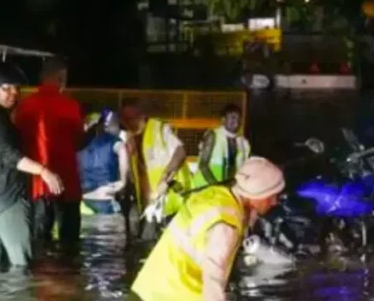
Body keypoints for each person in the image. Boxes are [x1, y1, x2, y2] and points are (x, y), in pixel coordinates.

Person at [130, 157, 284, 301]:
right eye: (273, 196)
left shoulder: (218, 196)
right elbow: (213, 278)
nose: (275, 202)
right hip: (182, 294)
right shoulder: (226, 225)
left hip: (160, 287)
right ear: (257, 195)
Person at [0, 65, 64, 268]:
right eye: (6, 88)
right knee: (20, 266)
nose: (14, 94)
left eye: (16, 88)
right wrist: (43, 171)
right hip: (7, 200)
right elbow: (8, 155)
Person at [14, 57, 85, 244]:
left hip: (37, 185)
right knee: (69, 244)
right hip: (68, 183)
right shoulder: (71, 106)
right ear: (61, 78)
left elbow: (17, 142)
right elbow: (78, 141)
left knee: (39, 244)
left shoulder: (24, 106)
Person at [119, 98, 191, 236]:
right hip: (149, 206)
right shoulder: (131, 138)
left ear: (141, 115)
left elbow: (180, 151)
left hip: (170, 201)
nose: (128, 122)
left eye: (131, 118)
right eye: (125, 119)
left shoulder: (160, 129)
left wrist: (165, 179)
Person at [78, 108, 130, 215]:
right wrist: (123, 182)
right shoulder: (111, 140)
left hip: (81, 202)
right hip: (104, 198)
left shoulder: (78, 142)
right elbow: (122, 150)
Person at [192, 104, 251, 189]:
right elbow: (203, 165)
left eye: (239, 118)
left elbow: (243, 168)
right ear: (223, 120)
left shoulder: (243, 143)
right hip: (206, 187)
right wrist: (217, 187)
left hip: (228, 190)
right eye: (233, 117)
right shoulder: (213, 135)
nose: (236, 121)